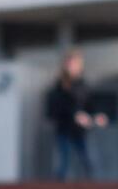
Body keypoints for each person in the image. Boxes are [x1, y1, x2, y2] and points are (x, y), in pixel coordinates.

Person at [45, 49, 108, 180]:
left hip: (80, 132)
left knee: (90, 163)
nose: (73, 67)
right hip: (64, 130)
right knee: (63, 165)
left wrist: (95, 116)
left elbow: (90, 105)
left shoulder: (83, 85)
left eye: (76, 64)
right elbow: (54, 110)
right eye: (71, 64)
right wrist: (75, 115)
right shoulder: (59, 86)